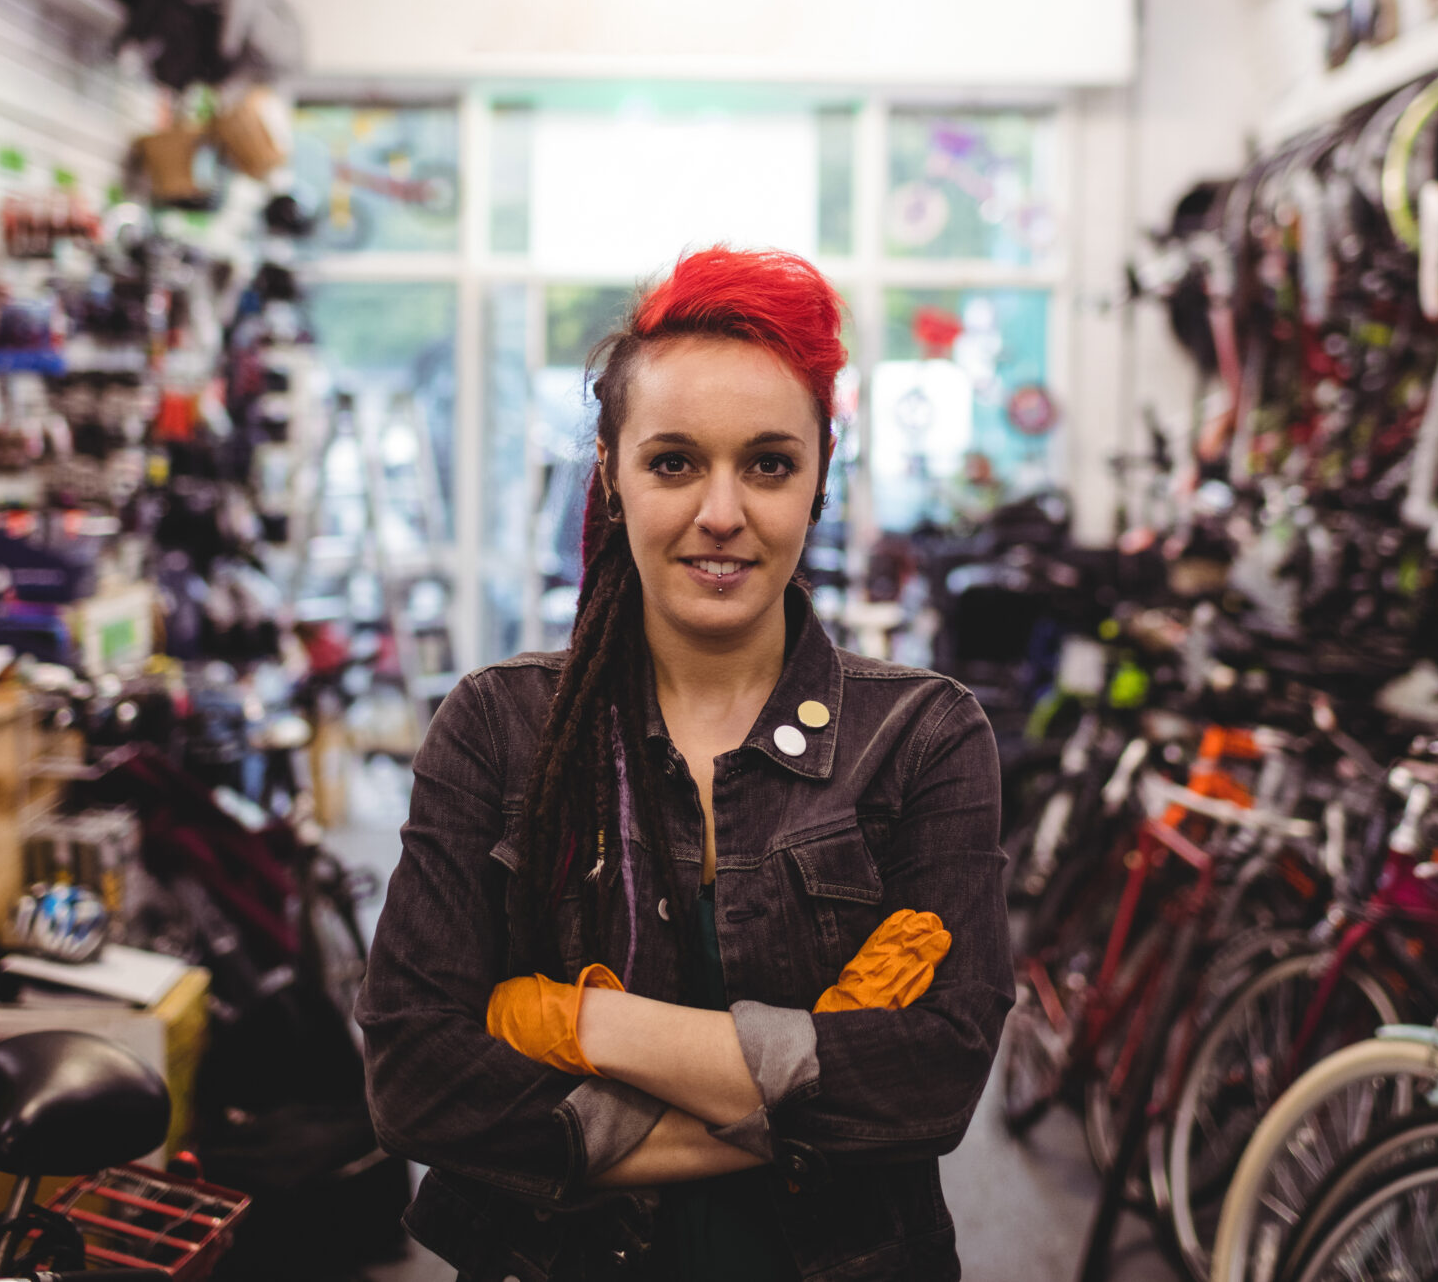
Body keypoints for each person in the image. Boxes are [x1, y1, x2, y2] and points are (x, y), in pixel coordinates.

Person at [359, 246, 1010, 1282]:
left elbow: (933, 1077)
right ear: (611, 476)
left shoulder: (922, 740)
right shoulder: (498, 727)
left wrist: (582, 1020)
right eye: (673, 462)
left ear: (817, 479)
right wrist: (794, 1104)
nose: (721, 512)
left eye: (767, 463)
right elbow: (416, 1077)